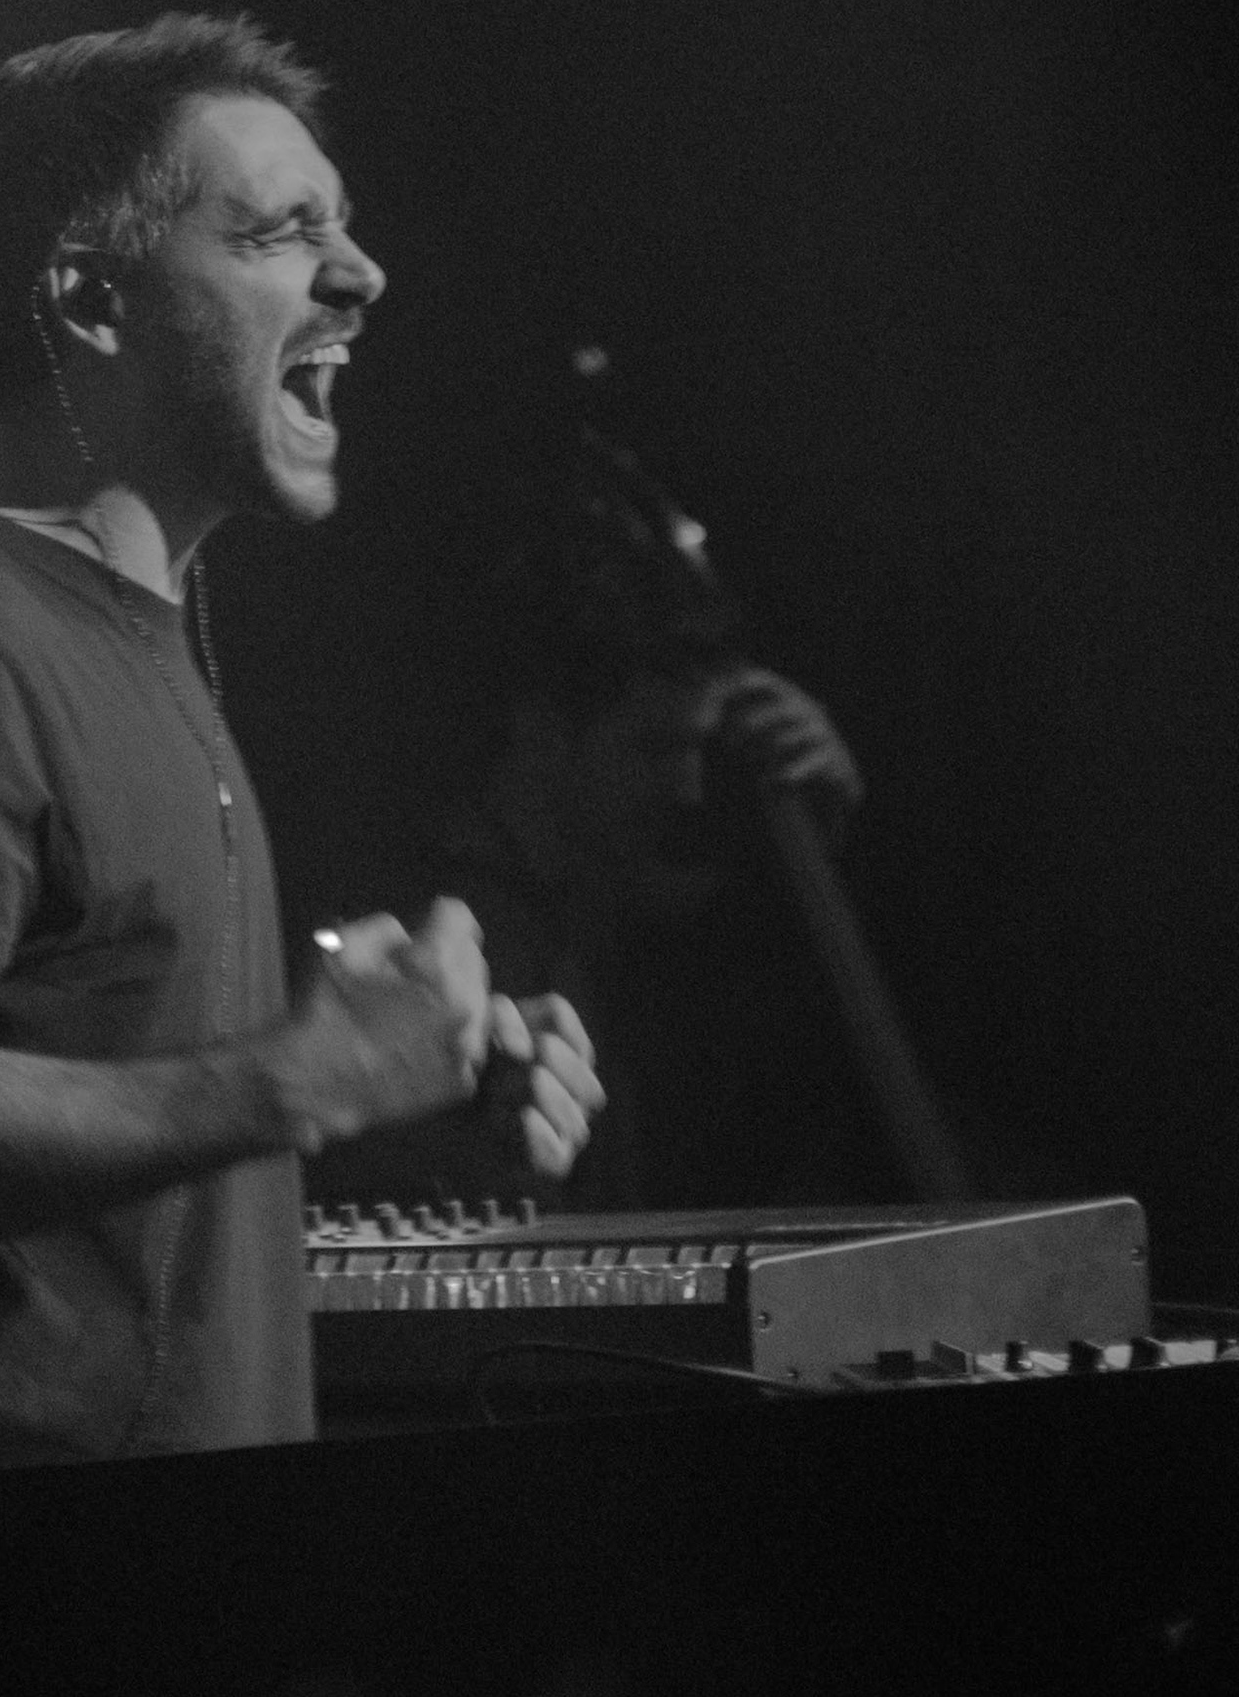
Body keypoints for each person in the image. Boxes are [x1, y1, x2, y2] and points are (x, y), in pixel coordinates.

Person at [0, 14, 604, 1479]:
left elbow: (112, 1148)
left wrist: (409, 1089)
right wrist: (298, 1081)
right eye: (282, 231)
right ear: (93, 299)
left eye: (345, 223)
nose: (361, 273)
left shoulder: (125, 630)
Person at [316, 427, 864, 1213]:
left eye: (698, 749)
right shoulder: (444, 938)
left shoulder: (595, 900)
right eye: (653, 748)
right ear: (543, 729)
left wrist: (820, 832)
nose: (687, 788)